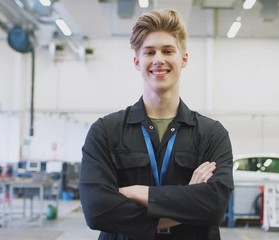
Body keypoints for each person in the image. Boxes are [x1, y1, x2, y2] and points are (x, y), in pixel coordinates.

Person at [79, 8, 234, 240]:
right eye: (149, 52)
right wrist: (188, 201)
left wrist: (139, 193)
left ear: (184, 59)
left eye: (168, 50)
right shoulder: (105, 131)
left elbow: (214, 206)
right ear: (137, 61)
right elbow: (98, 210)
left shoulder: (211, 134)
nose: (158, 59)